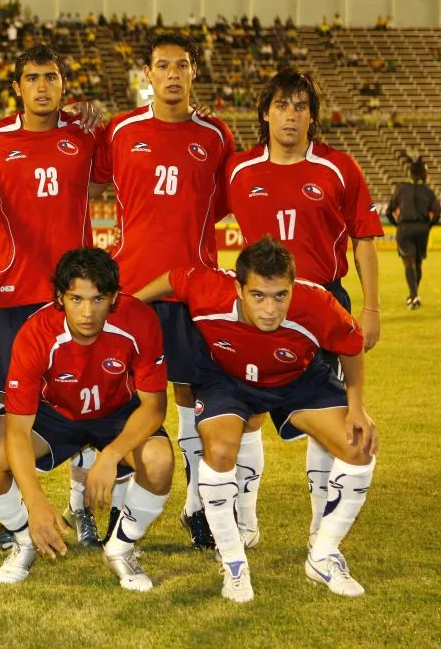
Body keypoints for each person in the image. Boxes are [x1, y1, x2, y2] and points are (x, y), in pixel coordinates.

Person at [134, 237, 378, 602]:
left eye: (280, 295)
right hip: (227, 380)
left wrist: (356, 406)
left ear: (292, 288)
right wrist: (130, 304)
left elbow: (352, 345)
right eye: (258, 296)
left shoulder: (317, 303)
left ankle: (324, 554)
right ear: (238, 288)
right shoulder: (209, 288)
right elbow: (173, 277)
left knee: (359, 449)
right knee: (218, 452)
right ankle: (234, 564)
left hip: (298, 379)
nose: (270, 308)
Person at [226, 68, 383, 546]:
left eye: (299, 106)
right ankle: (246, 520)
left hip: (321, 304)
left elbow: (364, 240)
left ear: (313, 116)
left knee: (323, 413)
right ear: (265, 114)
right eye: (280, 106)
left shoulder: (339, 167)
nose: (290, 115)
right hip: (259, 306)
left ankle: (320, 524)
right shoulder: (238, 169)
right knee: (247, 411)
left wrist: (372, 308)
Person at [98, 33, 236, 551]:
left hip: (194, 291)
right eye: (163, 66)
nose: (172, 74)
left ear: (194, 73)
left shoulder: (217, 135)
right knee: (123, 397)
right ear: (148, 75)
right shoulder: (120, 130)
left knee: (192, 397)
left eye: (182, 65)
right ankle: (116, 507)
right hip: (131, 289)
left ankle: (197, 507)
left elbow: (222, 200)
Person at [0, 248, 173, 591]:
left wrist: (111, 455)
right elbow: (18, 429)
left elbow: (153, 406)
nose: (88, 312)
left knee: (159, 462)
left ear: (115, 298)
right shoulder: (36, 333)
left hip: (117, 412)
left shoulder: (139, 320)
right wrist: (35, 503)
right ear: (60, 297)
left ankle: (121, 548)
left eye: (98, 299)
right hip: (54, 413)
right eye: (76, 299)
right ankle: (25, 540)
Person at [0, 44, 109, 550]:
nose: (41, 86)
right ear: (17, 86)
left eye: (51, 77)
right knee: (10, 403)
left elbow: (104, 185)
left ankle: (81, 508)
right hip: (13, 291)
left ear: (63, 85)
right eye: (31, 77)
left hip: (74, 294)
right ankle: (12, 514)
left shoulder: (85, 135)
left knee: (80, 397)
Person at [386, 156, 439, 308]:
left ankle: (414, 296)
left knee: (408, 263)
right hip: (422, 229)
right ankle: (413, 295)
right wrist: (428, 226)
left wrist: (398, 225)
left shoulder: (401, 189)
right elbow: (437, 213)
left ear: (410, 173)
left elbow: (389, 211)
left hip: (405, 228)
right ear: (423, 173)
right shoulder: (428, 191)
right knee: (418, 263)